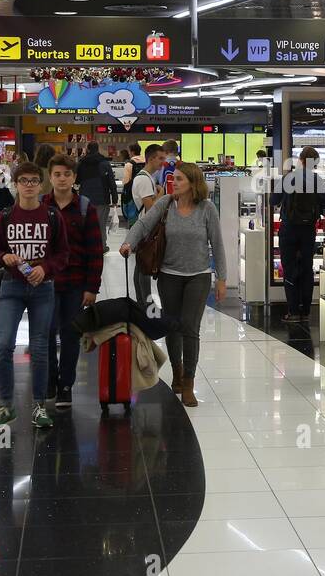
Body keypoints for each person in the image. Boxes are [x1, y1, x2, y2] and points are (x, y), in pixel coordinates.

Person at [120, 161, 227, 407]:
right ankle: (177, 374)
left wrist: (222, 277)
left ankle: (188, 381)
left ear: (192, 183)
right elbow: (143, 225)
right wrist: (129, 242)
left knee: (190, 327)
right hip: (169, 275)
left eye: (179, 179)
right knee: (173, 325)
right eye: (173, 178)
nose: (173, 182)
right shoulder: (166, 204)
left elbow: (218, 244)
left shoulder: (207, 208)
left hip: (198, 276)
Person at [0, 161, 69, 432]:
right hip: (11, 287)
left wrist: (45, 268)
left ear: (41, 185)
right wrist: (4, 257)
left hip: (42, 289)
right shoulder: (5, 217)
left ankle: (39, 405)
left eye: (34, 180)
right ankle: (6, 405)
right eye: (24, 181)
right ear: (16, 184)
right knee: (4, 345)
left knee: (41, 348)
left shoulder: (53, 217)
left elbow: (62, 255)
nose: (29, 185)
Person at [43, 154, 103, 409]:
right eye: (57, 174)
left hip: (76, 283)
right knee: (45, 334)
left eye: (67, 174)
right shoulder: (40, 206)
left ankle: (66, 385)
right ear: (50, 177)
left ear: (74, 177)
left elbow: (95, 249)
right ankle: (48, 381)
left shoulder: (85, 207)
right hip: (46, 283)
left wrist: (92, 287)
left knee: (70, 335)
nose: (62, 179)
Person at [272, 147, 325, 323]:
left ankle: (293, 311)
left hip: (289, 229)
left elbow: (273, 200)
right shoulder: (319, 180)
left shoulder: (288, 178)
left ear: (300, 159)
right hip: (308, 230)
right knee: (306, 269)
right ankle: (305, 312)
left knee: (289, 269)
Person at [126, 144, 164, 306]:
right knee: (145, 265)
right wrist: (161, 194)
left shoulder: (148, 177)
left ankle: (142, 302)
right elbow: (151, 207)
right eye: (160, 158)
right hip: (146, 228)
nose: (163, 162)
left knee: (141, 265)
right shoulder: (143, 179)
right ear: (151, 158)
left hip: (145, 226)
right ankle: (145, 303)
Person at [75, 141, 118, 246]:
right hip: (102, 198)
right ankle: (102, 246)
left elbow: (77, 181)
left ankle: (86, 246)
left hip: (84, 199)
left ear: (88, 150)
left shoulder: (81, 163)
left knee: (86, 224)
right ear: (97, 149)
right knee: (101, 224)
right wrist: (115, 199)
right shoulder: (104, 163)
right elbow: (112, 183)